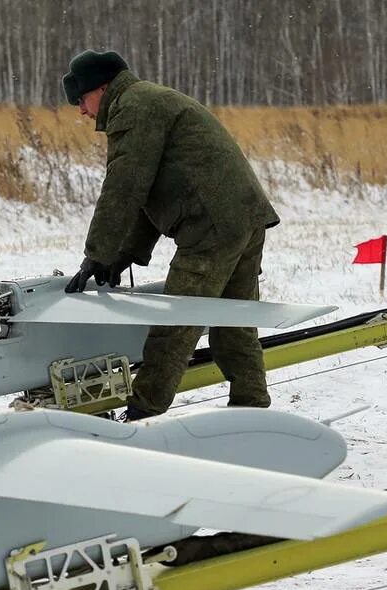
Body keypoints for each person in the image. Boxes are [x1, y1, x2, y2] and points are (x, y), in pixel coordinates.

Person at [61, 50, 280, 421]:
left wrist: (98, 252)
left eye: (81, 100)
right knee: (233, 322)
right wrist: (124, 252)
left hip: (210, 226)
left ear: (102, 87)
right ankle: (252, 409)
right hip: (242, 217)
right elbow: (149, 189)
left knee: (176, 324)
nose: (81, 111)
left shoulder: (134, 107)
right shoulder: (148, 99)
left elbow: (125, 186)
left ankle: (142, 413)